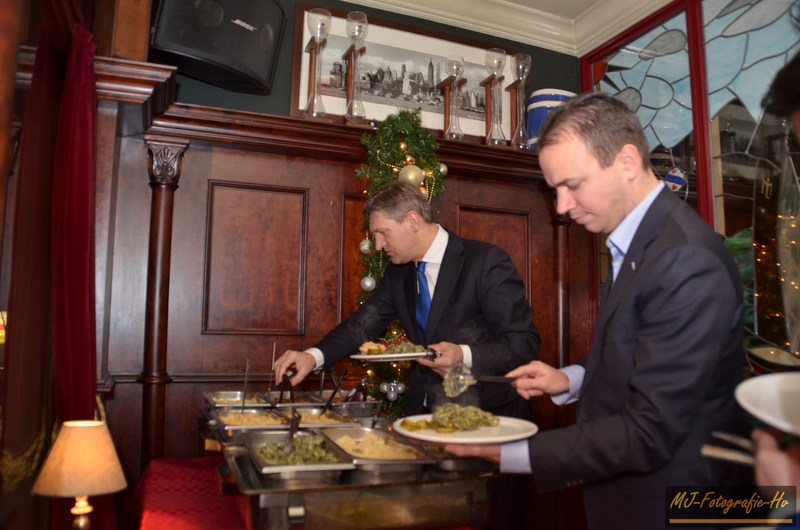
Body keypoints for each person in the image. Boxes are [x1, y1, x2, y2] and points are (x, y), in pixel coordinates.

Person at [445, 92, 747, 530]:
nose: (562, 207)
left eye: (572, 185)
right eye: (555, 190)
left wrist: (507, 451)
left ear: (626, 161)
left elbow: (649, 432)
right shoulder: (641, 240)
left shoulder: (685, 259)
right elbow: (638, 350)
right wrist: (570, 378)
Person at [273, 179, 541, 420]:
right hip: (422, 415)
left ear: (412, 221)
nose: (378, 245)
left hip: (487, 417)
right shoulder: (399, 274)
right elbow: (363, 325)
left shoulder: (484, 262)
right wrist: (313, 356)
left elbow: (523, 342)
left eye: (382, 232)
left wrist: (463, 355)